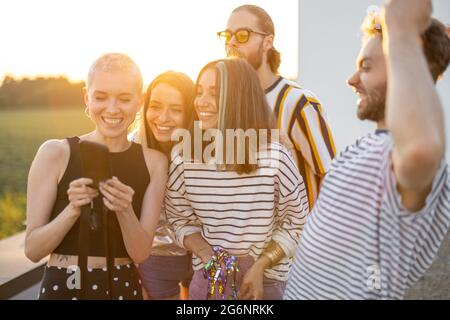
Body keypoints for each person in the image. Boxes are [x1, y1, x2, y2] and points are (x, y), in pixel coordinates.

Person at [284, 0, 450, 300]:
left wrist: (400, 27)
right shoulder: (364, 146)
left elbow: (422, 150)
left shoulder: (404, 155)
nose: (351, 80)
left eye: (367, 67)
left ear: (409, 64)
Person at [25, 53, 167, 300]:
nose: (112, 109)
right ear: (86, 98)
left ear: (140, 101)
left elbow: (141, 253)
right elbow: (33, 250)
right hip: (63, 284)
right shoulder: (55, 153)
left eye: (124, 99)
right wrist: (72, 209)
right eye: (101, 97)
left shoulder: (154, 162)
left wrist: (124, 210)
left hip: (122, 285)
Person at [165, 58, 309, 300]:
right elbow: (178, 218)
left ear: (239, 98)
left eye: (214, 93)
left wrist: (260, 265)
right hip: (209, 282)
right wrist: (207, 254)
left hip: (265, 284)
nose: (201, 102)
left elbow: (297, 223)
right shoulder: (185, 157)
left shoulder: (275, 157)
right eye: (199, 92)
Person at [219, 4, 336, 209]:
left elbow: (332, 178)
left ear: (268, 42)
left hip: (297, 238)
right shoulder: (225, 104)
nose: (232, 43)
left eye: (243, 35)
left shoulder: (298, 102)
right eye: (227, 36)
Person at [131, 71, 196, 299]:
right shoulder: (131, 148)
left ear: (190, 112)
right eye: (155, 106)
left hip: (202, 256)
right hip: (155, 259)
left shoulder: (205, 147)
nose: (163, 117)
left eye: (176, 109)